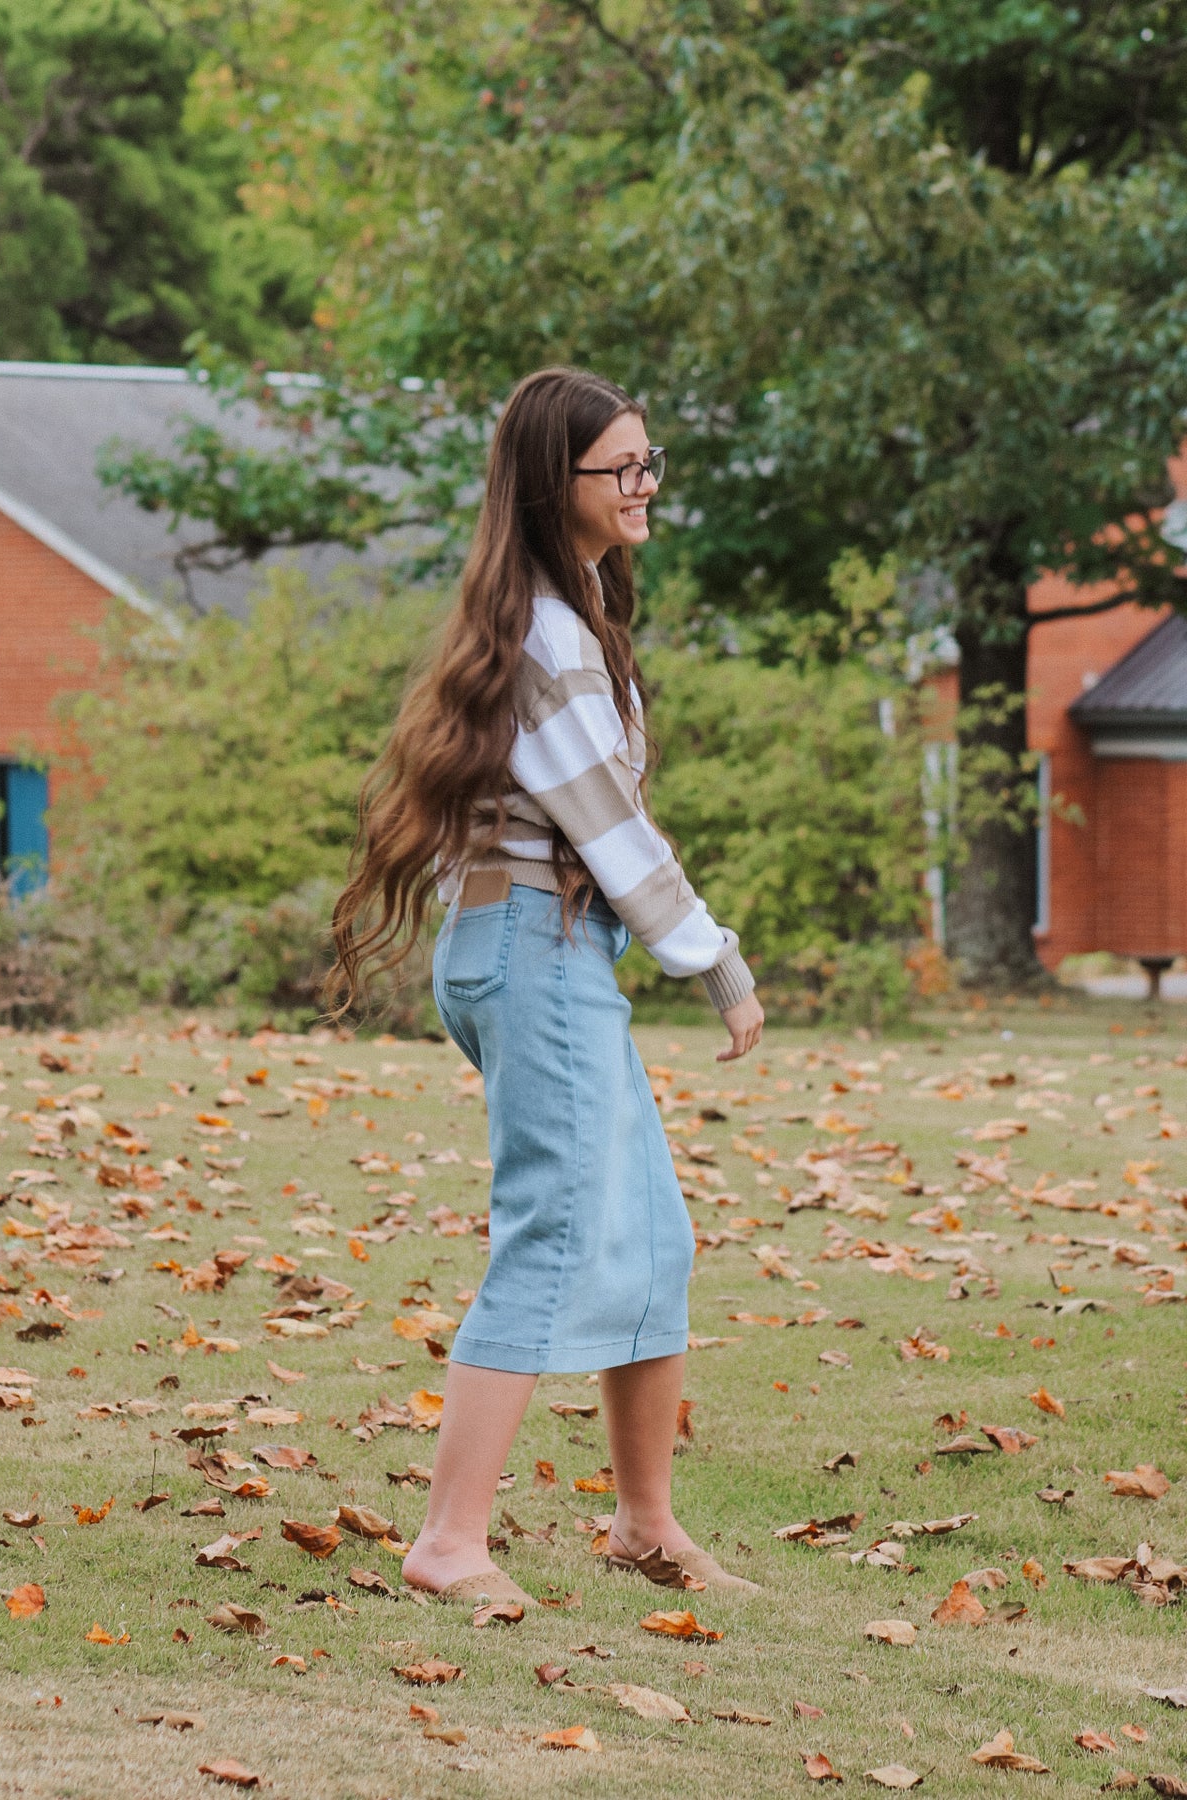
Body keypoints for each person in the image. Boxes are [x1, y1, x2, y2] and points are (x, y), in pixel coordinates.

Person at [330, 366, 765, 1607]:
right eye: (619, 467)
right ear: (551, 482)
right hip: (538, 950)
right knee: (555, 1232)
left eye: (648, 461)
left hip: (540, 950)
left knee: (654, 1237)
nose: (643, 485)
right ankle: (450, 1543)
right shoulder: (549, 637)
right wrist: (714, 959)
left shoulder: (562, 619)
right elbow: (612, 825)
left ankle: (642, 1525)